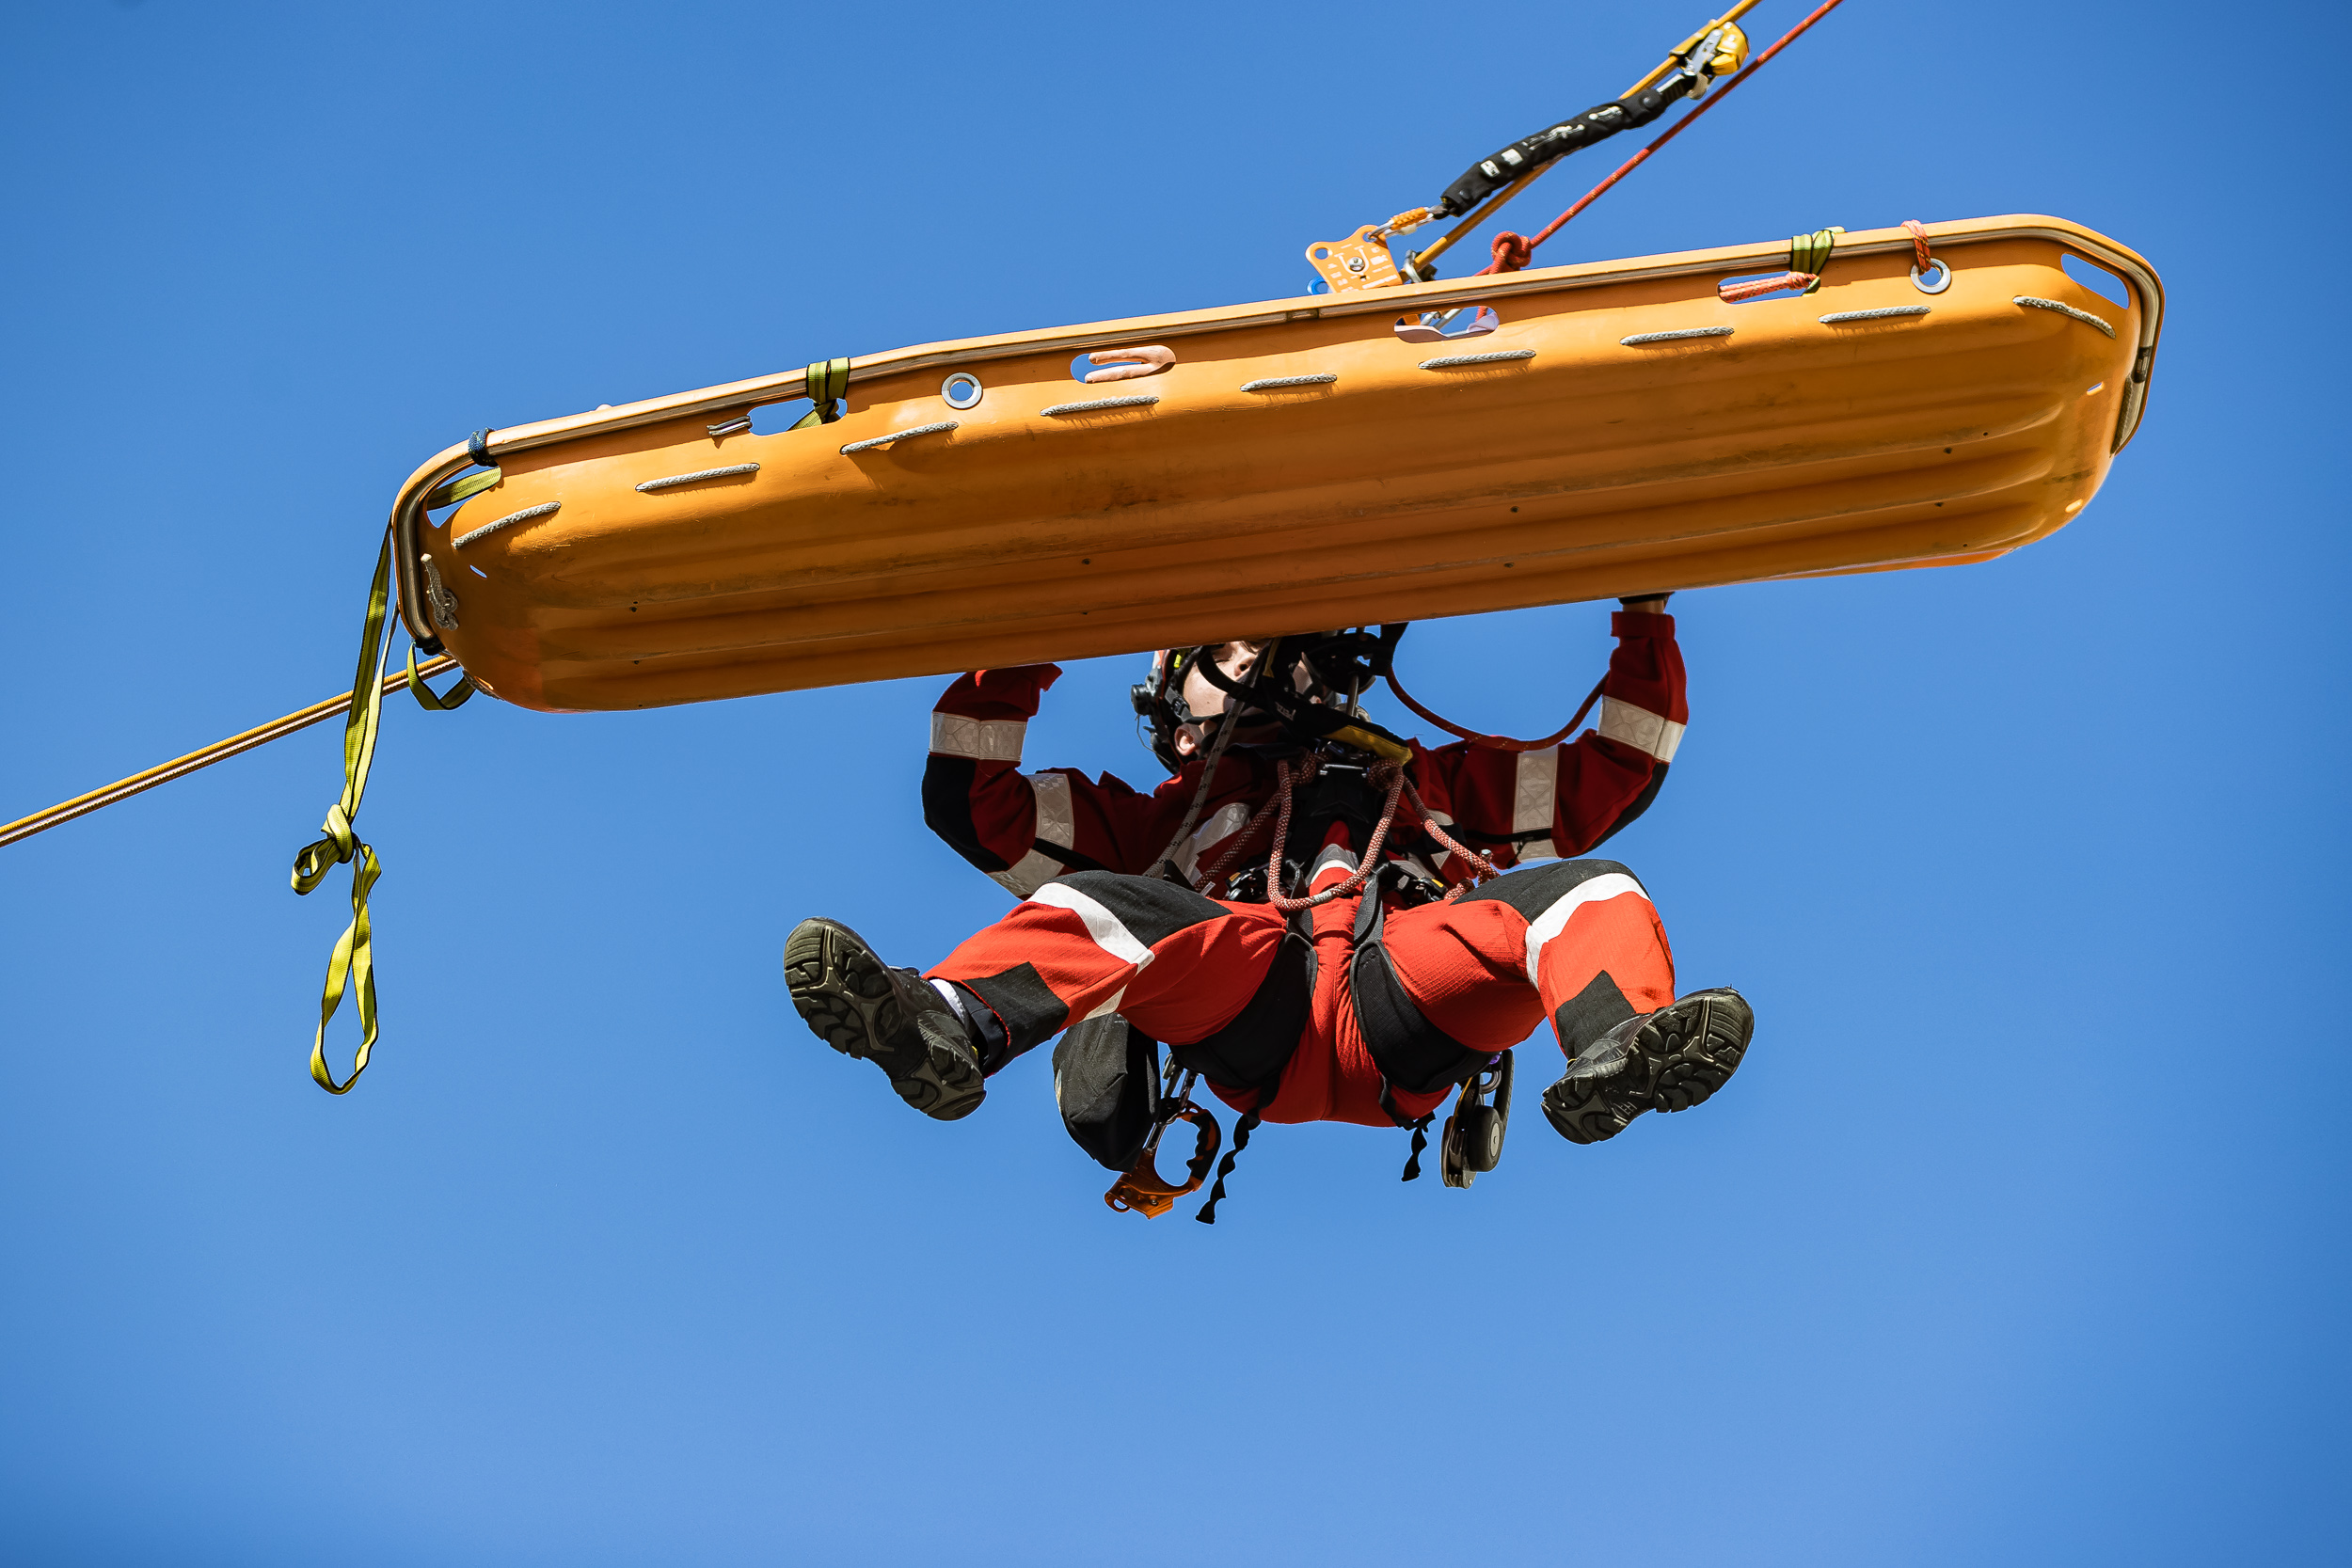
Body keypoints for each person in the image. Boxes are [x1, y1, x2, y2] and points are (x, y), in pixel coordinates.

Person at [783, 597, 1752, 1169]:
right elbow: (969, 801)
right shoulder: (1157, 812)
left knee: (1593, 890)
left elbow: (1622, 765)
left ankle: (1618, 1049)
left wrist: (1645, 611)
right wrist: (1040, 630)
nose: (1257, 658)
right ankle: (944, 1021)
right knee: (1112, 905)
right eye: (1225, 651)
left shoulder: (1430, 780)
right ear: (1170, 709)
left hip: (1414, 995)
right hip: (1253, 1002)